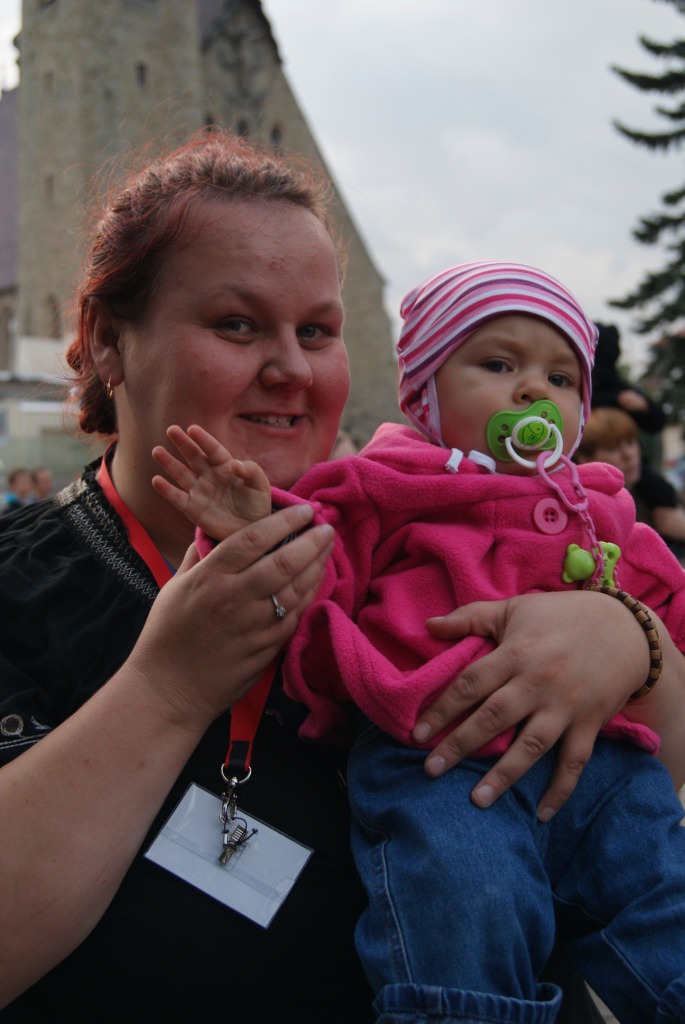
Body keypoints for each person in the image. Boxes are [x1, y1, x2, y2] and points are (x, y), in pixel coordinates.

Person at [0, 136, 682, 1024]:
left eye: (316, 332)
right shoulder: (23, 588)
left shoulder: (421, 537)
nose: (290, 367)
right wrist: (168, 690)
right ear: (106, 343)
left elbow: (647, 790)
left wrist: (633, 640)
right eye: (236, 324)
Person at [157, 261, 685, 1024]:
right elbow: (312, 583)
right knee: (463, 903)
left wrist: (639, 634)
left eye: (560, 378)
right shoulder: (381, 488)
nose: (532, 390)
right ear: (425, 394)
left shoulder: (599, 503)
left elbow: (664, 605)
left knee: (662, 892)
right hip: (438, 761)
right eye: (497, 365)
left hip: (598, 764)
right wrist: (249, 529)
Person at [577, 406, 685, 562]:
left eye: (631, 442)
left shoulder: (659, 493)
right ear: (585, 459)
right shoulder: (582, 511)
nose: (628, 454)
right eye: (612, 447)